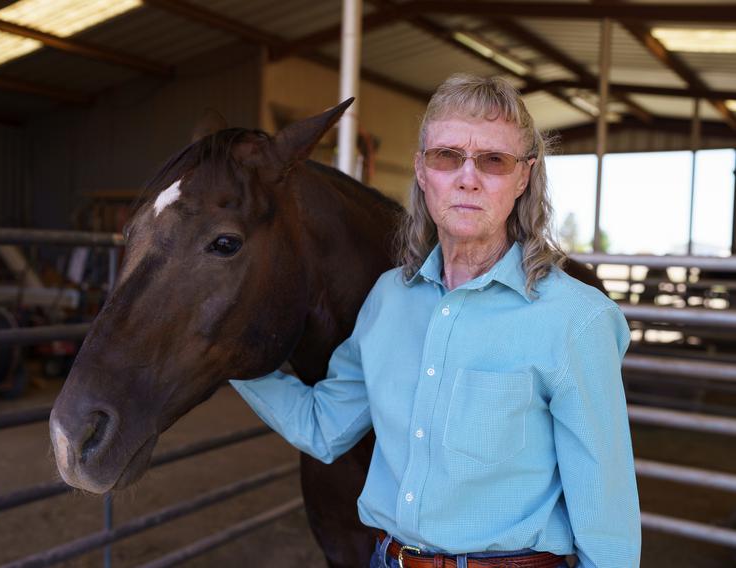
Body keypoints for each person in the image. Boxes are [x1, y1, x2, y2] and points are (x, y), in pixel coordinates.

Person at [230, 74, 640, 568]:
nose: (467, 177)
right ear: (423, 171)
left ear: (524, 178)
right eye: (447, 156)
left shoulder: (576, 318)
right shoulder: (389, 300)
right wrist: (225, 350)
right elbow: (324, 426)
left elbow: (607, 522)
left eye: (493, 160)